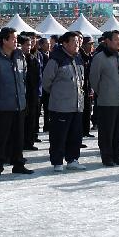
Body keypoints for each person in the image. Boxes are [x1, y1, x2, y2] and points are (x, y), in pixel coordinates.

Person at [0, 27, 34, 176]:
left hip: (18, 104)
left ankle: (18, 163)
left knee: (18, 136)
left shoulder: (19, 56)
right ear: (4, 40)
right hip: (1, 105)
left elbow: (23, 79)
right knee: (0, 137)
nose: (16, 41)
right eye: (13, 38)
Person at [42, 31, 86, 172]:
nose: (77, 44)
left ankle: (73, 159)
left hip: (77, 105)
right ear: (65, 43)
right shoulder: (56, 59)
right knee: (59, 136)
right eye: (73, 41)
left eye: (78, 41)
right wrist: (59, 94)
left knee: (75, 135)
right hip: (61, 106)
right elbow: (46, 82)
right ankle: (57, 161)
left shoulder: (78, 58)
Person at [89, 30, 119, 166]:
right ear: (108, 41)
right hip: (107, 101)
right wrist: (103, 92)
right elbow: (94, 79)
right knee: (107, 131)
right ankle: (107, 157)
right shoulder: (100, 57)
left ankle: (117, 156)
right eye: (116, 39)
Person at [20, 35, 41, 150]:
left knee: (31, 119)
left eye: (30, 45)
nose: (29, 47)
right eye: (26, 45)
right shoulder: (16, 58)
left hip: (32, 94)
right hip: (20, 94)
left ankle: (29, 142)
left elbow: (38, 77)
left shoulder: (33, 59)